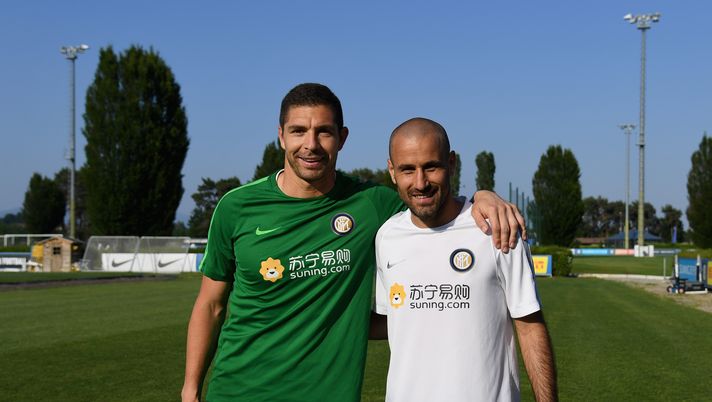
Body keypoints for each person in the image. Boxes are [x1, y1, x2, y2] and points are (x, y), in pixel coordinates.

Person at [181, 84, 526, 402]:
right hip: (238, 391)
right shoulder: (236, 208)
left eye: (324, 132)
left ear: (342, 138)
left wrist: (482, 197)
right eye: (298, 131)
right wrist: (190, 390)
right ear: (281, 136)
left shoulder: (373, 205)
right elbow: (211, 306)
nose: (311, 144)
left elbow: (432, 203)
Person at [373, 117, 557, 402]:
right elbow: (392, 320)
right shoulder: (387, 236)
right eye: (408, 169)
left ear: (452, 163)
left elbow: (530, 327)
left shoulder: (496, 229)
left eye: (431, 167)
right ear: (392, 171)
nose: (420, 182)